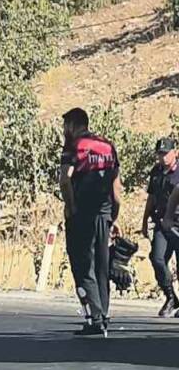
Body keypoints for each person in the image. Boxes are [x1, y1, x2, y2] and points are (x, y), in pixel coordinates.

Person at [59, 108, 122, 337]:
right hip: (104, 214)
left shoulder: (74, 146)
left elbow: (65, 180)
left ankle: (94, 318)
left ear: (74, 125)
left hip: (82, 215)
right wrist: (114, 216)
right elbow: (116, 188)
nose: (64, 130)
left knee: (83, 266)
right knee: (101, 266)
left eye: (66, 126)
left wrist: (70, 206)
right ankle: (103, 313)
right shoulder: (107, 146)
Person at [142, 138, 179, 316]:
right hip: (162, 223)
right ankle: (171, 297)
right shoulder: (156, 172)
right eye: (160, 154)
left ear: (175, 152)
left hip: (178, 224)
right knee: (157, 259)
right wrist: (144, 222)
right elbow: (151, 198)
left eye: (166, 153)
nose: (162, 157)